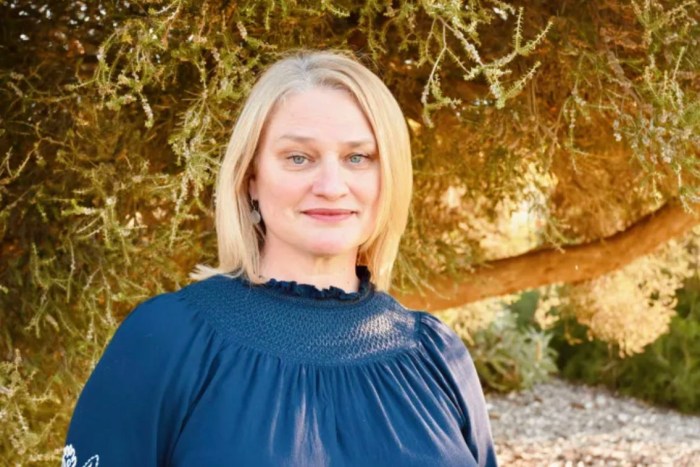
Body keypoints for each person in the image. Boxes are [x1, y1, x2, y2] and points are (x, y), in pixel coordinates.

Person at [63, 50, 498, 467]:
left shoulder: (436, 354)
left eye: (358, 157)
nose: (331, 186)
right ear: (251, 178)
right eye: (298, 158)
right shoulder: (165, 339)